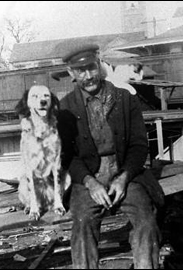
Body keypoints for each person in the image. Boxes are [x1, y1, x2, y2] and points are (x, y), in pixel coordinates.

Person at [58, 44, 165, 269]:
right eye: (81, 71)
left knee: (146, 222)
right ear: (71, 74)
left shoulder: (125, 98)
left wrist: (124, 178)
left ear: (99, 65)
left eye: (91, 68)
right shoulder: (66, 107)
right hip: (87, 178)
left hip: (124, 172)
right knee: (82, 224)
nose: (88, 76)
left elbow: (139, 145)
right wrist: (90, 183)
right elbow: (67, 155)